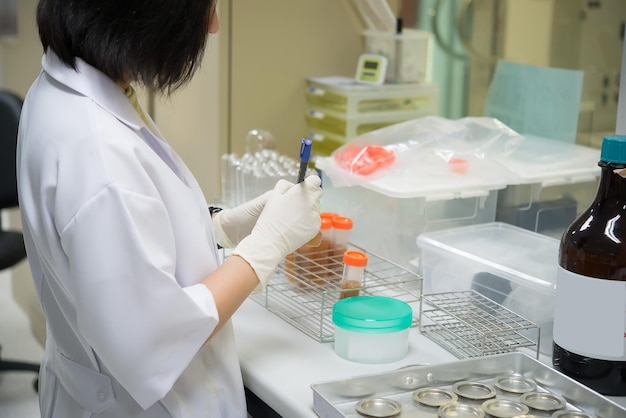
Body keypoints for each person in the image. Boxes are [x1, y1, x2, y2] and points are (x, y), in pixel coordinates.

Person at [16, 1, 323, 417]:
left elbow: (113, 246)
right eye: (207, 8)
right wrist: (265, 249)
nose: (213, 26)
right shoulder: (100, 153)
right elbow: (151, 339)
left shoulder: (66, 85)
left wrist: (218, 229)